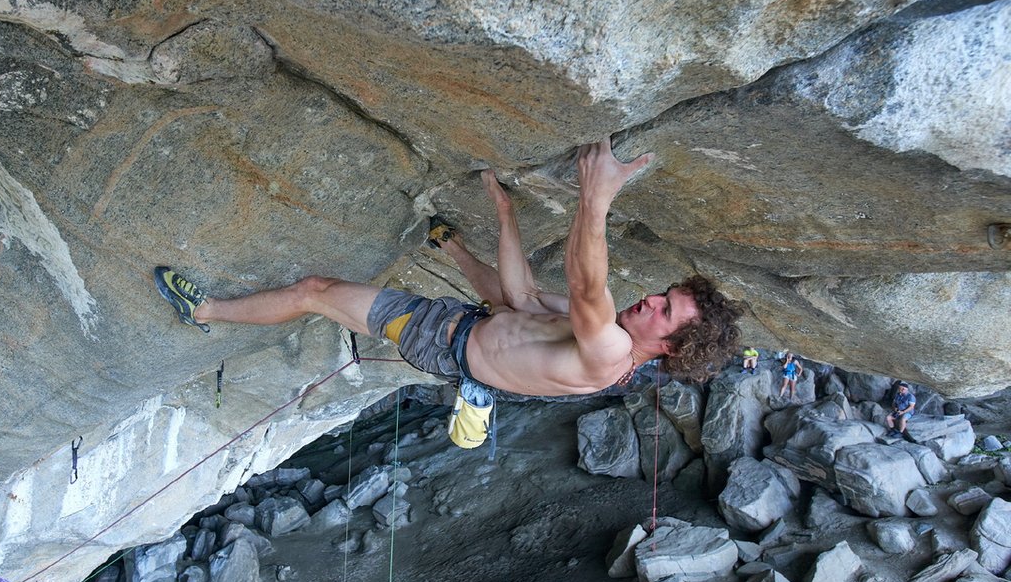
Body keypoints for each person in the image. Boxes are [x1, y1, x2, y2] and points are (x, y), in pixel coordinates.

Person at [155, 136, 741, 408]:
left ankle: (205, 311)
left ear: (667, 349)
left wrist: (597, 197)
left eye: (665, 312)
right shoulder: (613, 341)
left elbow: (590, 287)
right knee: (510, 302)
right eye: (664, 294)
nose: (652, 300)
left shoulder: (611, 354)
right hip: (464, 326)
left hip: (439, 341)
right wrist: (504, 212)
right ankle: (453, 249)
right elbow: (521, 296)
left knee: (316, 292)